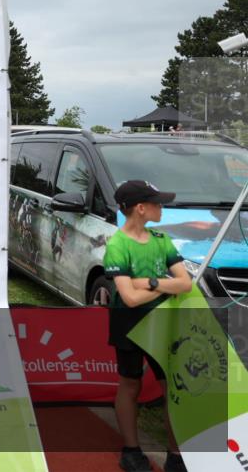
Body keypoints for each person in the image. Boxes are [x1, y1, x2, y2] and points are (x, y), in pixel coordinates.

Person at [104, 180, 191, 472]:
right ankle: (131, 450)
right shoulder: (117, 245)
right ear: (141, 208)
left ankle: (176, 455)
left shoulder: (161, 239)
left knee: (172, 388)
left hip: (162, 321)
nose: (162, 207)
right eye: (157, 203)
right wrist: (166, 287)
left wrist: (150, 282)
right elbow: (128, 298)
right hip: (127, 322)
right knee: (130, 383)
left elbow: (186, 282)